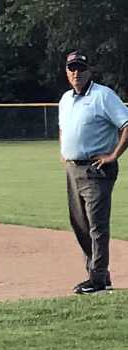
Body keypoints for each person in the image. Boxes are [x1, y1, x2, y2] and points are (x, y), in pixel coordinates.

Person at [58, 50, 128, 294]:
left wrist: (113, 155)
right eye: (72, 68)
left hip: (97, 169)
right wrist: (63, 151)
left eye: (80, 68)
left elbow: (126, 124)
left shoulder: (103, 96)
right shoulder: (65, 99)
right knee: (80, 223)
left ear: (89, 71)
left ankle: (97, 279)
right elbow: (63, 129)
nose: (76, 73)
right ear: (67, 72)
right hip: (72, 168)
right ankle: (99, 273)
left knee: (97, 225)